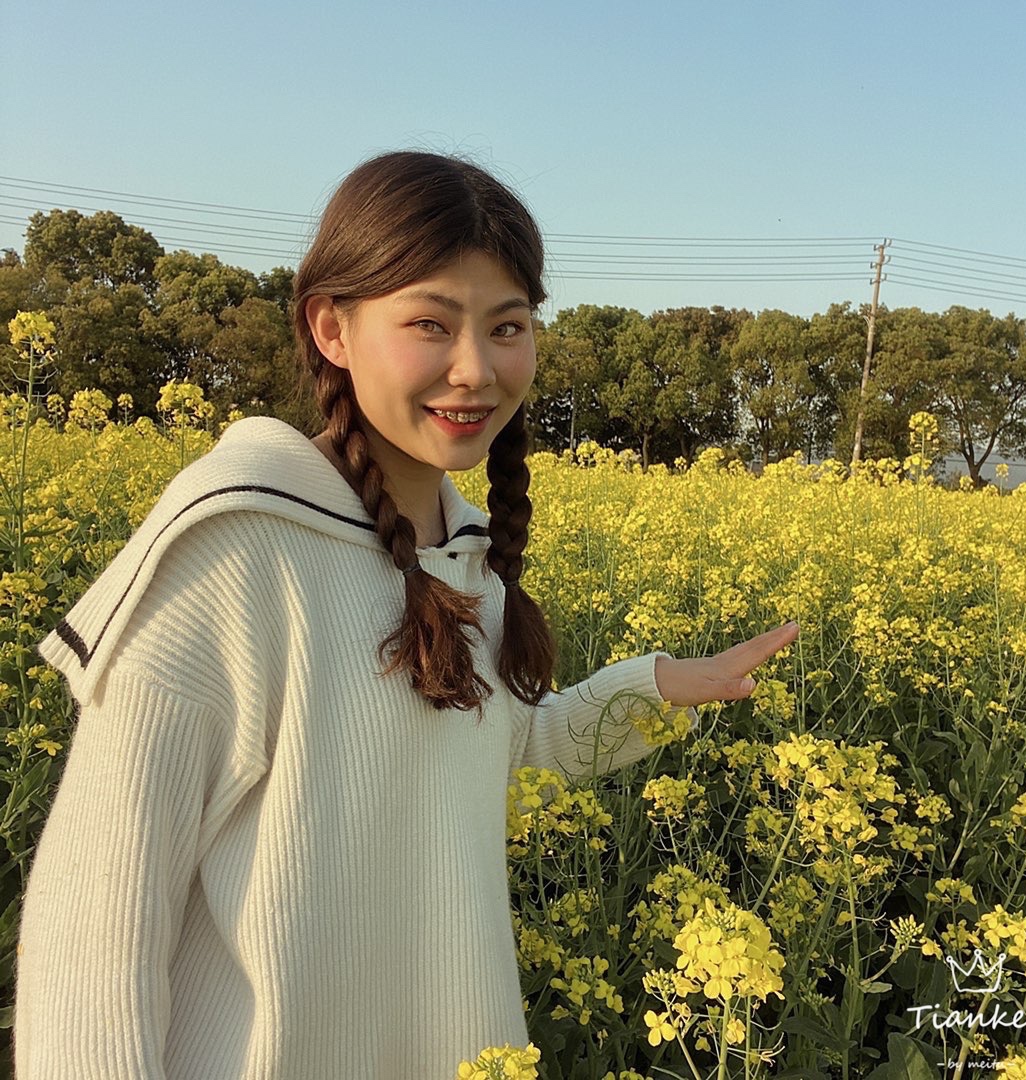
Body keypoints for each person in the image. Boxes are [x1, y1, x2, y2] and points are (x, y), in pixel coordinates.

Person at [13, 150, 800, 1078]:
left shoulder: (465, 559)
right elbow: (95, 928)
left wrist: (656, 688)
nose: (476, 368)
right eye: (431, 322)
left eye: (507, 327)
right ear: (331, 328)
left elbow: (493, 758)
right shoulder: (235, 546)